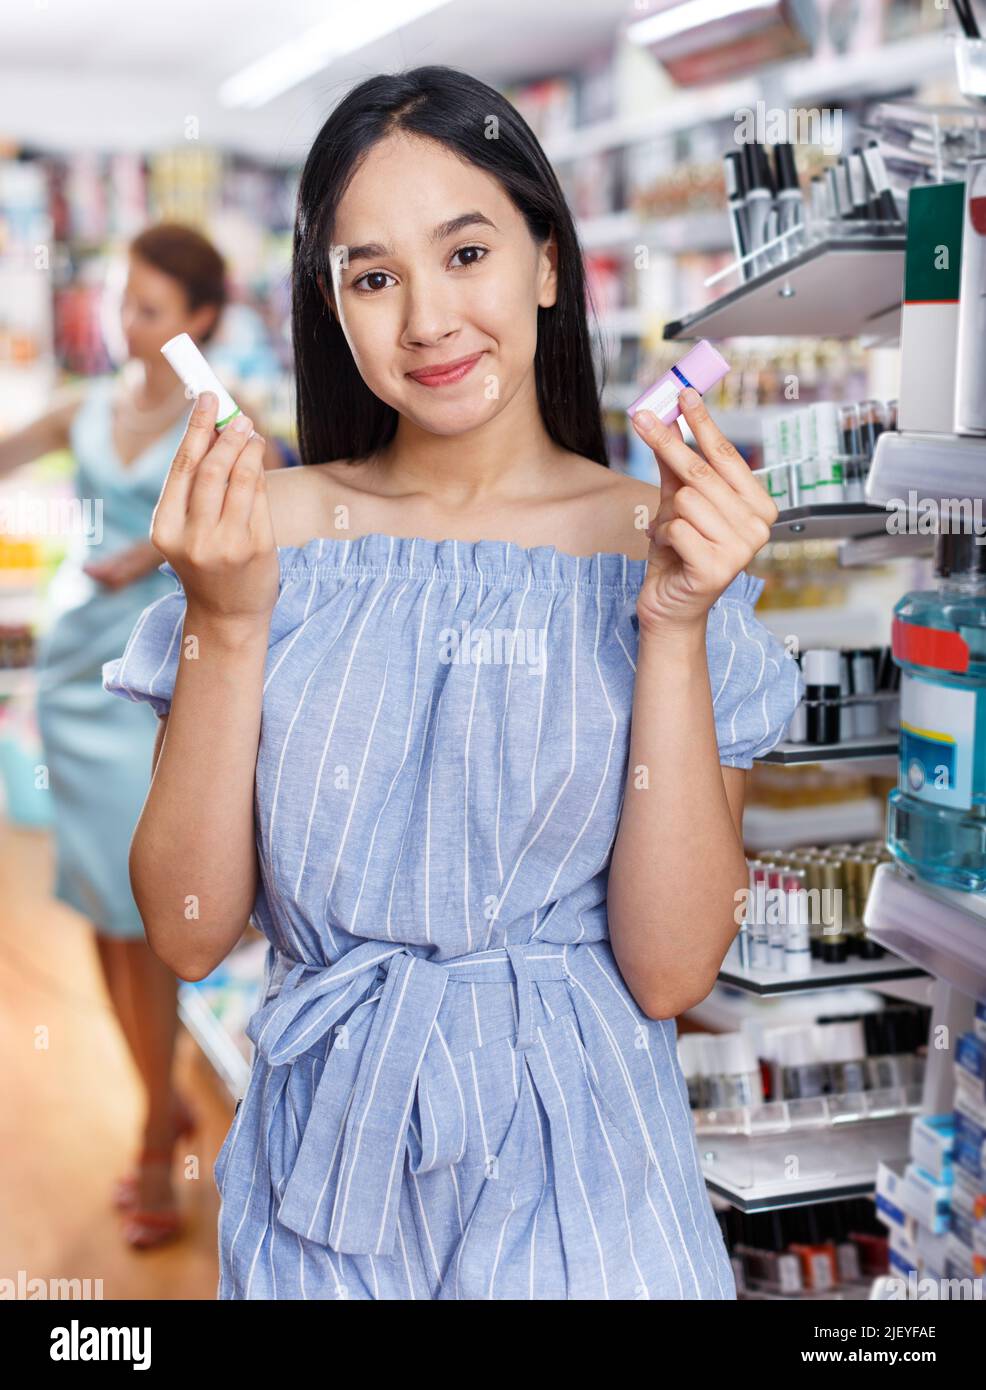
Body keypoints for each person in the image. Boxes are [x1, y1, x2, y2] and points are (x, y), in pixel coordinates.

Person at [102, 68, 803, 1298]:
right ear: (329, 305)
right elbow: (191, 925)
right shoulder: (264, 534)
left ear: (545, 259)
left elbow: (669, 967)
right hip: (326, 1185)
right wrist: (224, 620)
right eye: (372, 276)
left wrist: (677, 625)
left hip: (592, 1189)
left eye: (465, 250)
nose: (426, 319)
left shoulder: (661, 538)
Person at [0, 222, 282, 1250]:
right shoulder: (87, 403)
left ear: (201, 318)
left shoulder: (217, 415)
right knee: (101, 915)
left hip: (162, 681)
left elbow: (264, 519)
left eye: (153, 310)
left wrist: (152, 553)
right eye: (125, 303)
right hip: (75, 671)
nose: (129, 325)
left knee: (147, 914)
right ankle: (154, 1101)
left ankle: (157, 1142)